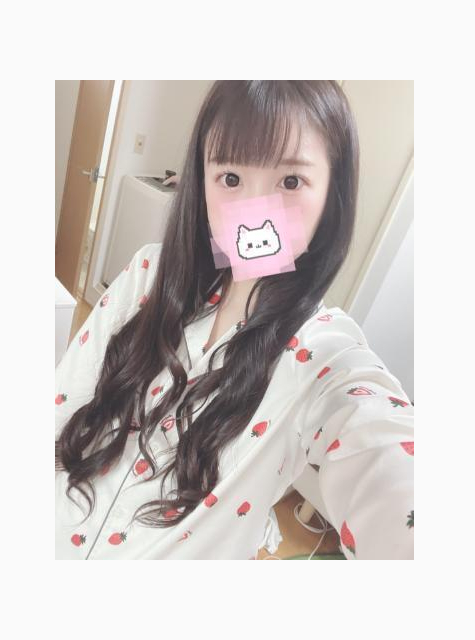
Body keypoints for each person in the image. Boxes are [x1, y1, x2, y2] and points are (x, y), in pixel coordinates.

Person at [55, 81, 414, 560]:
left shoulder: (324, 354)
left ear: (332, 195)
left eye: (291, 181)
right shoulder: (148, 273)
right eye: (229, 177)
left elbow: (386, 454)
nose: (253, 213)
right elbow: (61, 403)